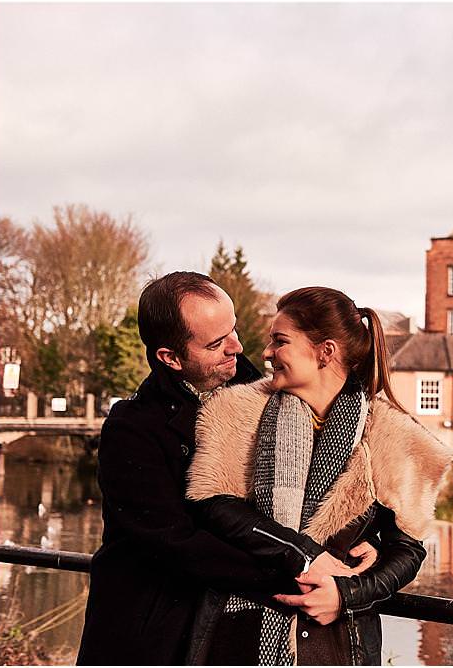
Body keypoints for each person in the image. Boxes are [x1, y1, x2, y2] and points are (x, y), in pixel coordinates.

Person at [77, 272, 378, 665]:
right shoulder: (131, 428)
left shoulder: (265, 388)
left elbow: (335, 468)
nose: (237, 347)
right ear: (171, 358)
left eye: (232, 330)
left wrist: (368, 540)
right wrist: (303, 571)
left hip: (230, 625)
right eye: (217, 343)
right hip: (153, 631)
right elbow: (178, 542)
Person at [185, 286, 451, 665]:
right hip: (239, 634)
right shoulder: (237, 413)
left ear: (326, 351)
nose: (266, 354)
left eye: (280, 341)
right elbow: (215, 508)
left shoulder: (390, 436)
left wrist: (347, 594)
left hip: (340, 642)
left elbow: (407, 550)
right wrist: (305, 556)